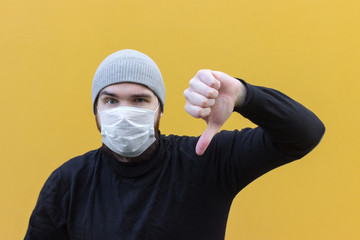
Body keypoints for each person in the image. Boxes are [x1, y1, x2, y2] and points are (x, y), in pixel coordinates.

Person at [24, 49, 325, 240]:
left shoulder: (205, 160)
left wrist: (243, 95)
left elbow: (305, 133)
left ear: (160, 109)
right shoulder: (69, 182)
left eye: (140, 99)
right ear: (96, 111)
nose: (124, 111)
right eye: (111, 100)